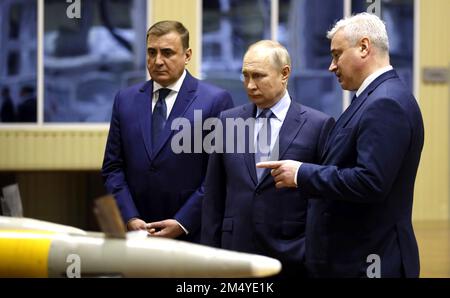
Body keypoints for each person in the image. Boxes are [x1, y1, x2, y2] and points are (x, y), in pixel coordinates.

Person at [257, 13, 424, 277]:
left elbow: (370, 182)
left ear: (364, 47)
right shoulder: (374, 97)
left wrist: (301, 174)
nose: (331, 66)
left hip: (371, 260)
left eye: (336, 55)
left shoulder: (385, 103)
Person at [201, 40, 334, 277]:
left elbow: (324, 201)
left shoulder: (318, 125)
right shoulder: (226, 121)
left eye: (259, 76)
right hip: (234, 253)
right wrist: (209, 255)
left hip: (292, 255)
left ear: (284, 74)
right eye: (245, 76)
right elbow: (214, 194)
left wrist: (313, 254)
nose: (250, 85)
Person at [102, 20, 234, 242]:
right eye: (151, 52)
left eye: (167, 53)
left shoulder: (215, 101)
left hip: (192, 234)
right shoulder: (125, 100)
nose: (158, 61)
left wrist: (183, 221)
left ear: (187, 55)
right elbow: (113, 167)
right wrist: (129, 217)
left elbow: (219, 174)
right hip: (137, 234)